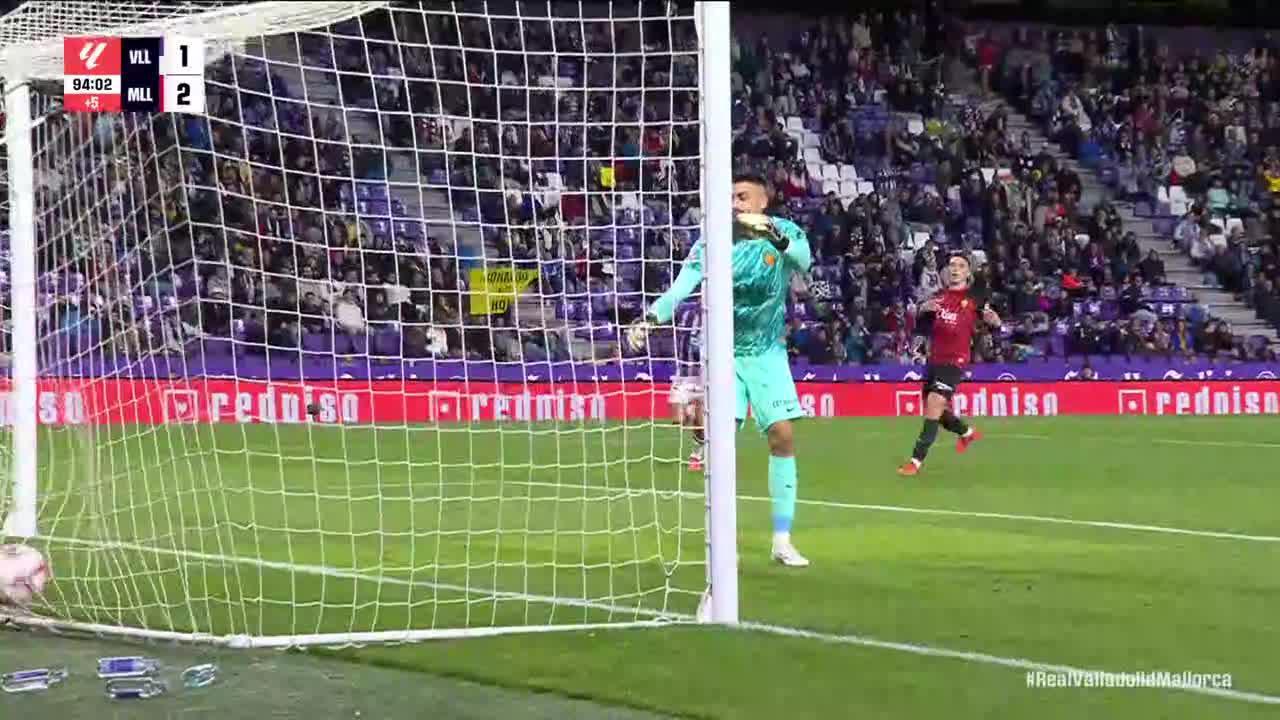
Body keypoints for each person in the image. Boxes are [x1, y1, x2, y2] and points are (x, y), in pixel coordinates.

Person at [628, 173, 812, 567]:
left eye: (743, 196)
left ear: (763, 201)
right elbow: (683, 285)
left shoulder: (784, 232)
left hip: (767, 353)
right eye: (730, 197)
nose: (735, 203)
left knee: (782, 435)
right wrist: (651, 317)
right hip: (724, 351)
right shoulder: (713, 239)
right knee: (721, 441)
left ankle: (782, 540)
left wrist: (777, 240)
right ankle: (720, 537)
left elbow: (804, 261)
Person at [898, 253, 1001, 476]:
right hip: (935, 360)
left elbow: (991, 320)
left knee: (934, 404)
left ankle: (915, 462)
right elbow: (920, 326)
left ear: (967, 272)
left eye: (960, 266)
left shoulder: (974, 298)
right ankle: (967, 432)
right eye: (952, 265)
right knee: (938, 411)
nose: (955, 269)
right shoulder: (938, 297)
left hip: (955, 361)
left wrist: (995, 322)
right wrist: (922, 309)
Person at [669, 302, 706, 471]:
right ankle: (690, 409)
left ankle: (696, 456)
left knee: (700, 424)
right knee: (678, 419)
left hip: (703, 377)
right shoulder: (685, 310)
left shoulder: (715, 316)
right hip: (683, 374)